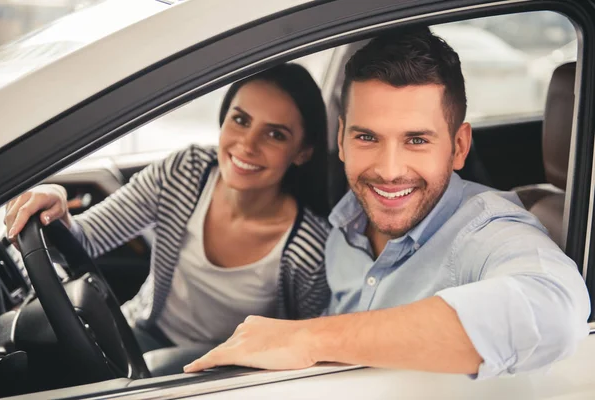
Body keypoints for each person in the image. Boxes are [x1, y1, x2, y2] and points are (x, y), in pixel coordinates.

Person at [183, 29, 591, 379]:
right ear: (341, 139)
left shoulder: (484, 230)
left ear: (459, 146)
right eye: (367, 138)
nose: (389, 171)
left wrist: (308, 338)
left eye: (416, 140)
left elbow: (553, 311)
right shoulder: (344, 228)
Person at [5, 63, 332, 360]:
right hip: (137, 332)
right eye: (241, 120)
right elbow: (85, 240)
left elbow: (305, 347)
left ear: (302, 152)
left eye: (275, 134)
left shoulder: (308, 247)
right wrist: (53, 199)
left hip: (224, 370)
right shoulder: (187, 171)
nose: (248, 144)